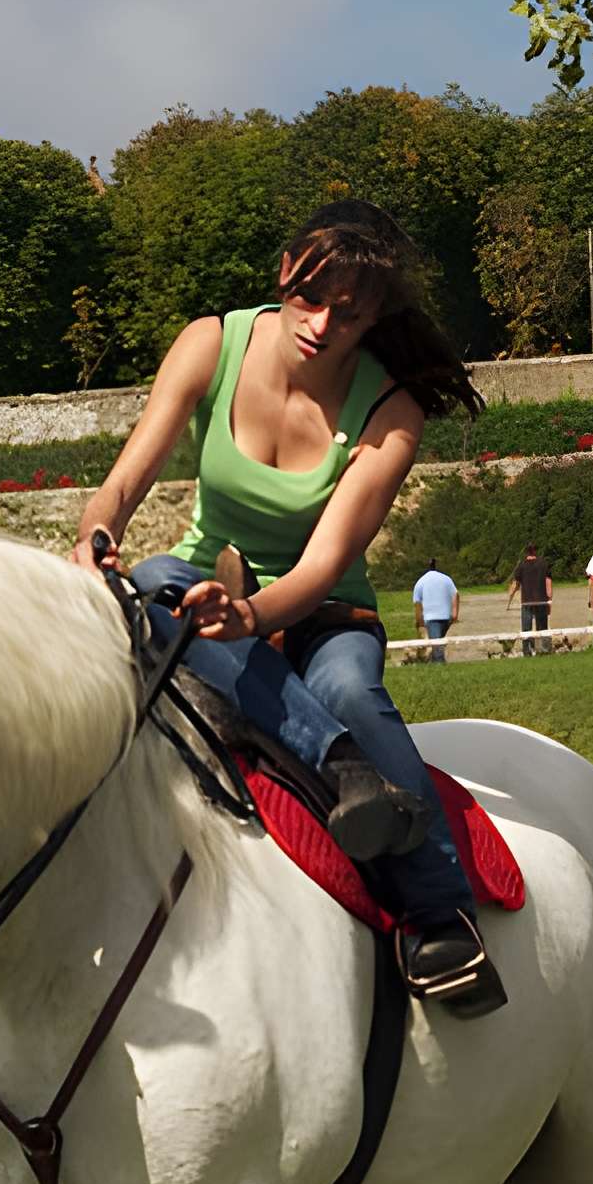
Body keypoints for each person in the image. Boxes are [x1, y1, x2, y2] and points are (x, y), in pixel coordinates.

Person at [69, 199, 503, 1014]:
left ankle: (441, 915)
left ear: (374, 316)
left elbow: (328, 562)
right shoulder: (212, 342)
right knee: (157, 579)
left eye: (348, 312)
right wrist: (97, 537)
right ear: (286, 270)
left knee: (346, 692)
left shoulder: (392, 413)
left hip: (320, 613)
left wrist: (254, 619)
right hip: (198, 596)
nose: (320, 323)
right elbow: (126, 480)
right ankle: (344, 773)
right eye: (310, 296)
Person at [410, 562, 458, 654]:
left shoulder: (421, 581)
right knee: (440, 642)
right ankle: (437, 662)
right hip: (446, 617)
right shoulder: (446, 579)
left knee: (437, 647)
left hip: (431, 618)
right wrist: (455, 614)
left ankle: (439, 664)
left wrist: (419, 621)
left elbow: (417, 604)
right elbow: (455, 594)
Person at [511, 544, 553, 650]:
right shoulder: (543, 564)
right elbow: (548, 582)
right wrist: (549, 599)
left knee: (526, 628)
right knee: (543, 627)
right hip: (541, 600)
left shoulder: (521, 565)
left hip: (527, 601)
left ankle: (527, 650)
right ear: (535, 551)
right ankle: (544, 649)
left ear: (526, 552)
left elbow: (516, 584)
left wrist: (511, 595)